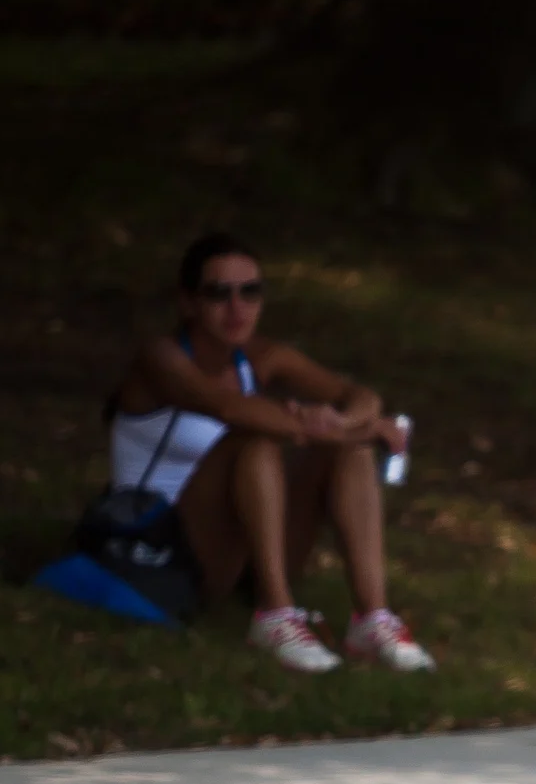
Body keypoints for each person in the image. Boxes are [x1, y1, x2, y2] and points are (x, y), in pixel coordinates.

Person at [108, 233, 434, 673]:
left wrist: (344, 424)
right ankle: (275, 614)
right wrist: (350, 429)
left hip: (241, 552)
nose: (237, 307)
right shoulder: (162, 359)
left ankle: (372, 619)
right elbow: (228, 408)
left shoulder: (262, 356)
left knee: (348, 454)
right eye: (218, 294)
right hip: (162, 553)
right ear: (188, 303)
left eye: (250, 292)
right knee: (254, 439)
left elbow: (359, 395)